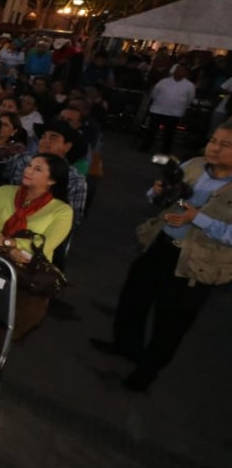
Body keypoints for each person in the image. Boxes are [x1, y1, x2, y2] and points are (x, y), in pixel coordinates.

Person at [91, 123, 232, 391]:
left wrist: (197, 218)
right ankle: (125, 345)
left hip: (197, 264)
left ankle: (146, 372)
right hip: (162, 245)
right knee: (134, 298)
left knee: (172, 321)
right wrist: (157, 192)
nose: (214, 147)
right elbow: (160, 198)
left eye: (225, 144)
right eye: (213, 140)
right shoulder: (193, 165)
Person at [0, 154, 73, 352]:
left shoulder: (62, 211)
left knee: (6, 314)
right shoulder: (5, 191)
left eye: (37, 169)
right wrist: (10, 248)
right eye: (29, 165)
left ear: (51, 180)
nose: (28, 171)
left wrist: (7, 242)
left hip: (28, 273)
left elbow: (44, 245)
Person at [141, 64, 196, 154]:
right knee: (152, 130)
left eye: (182, 71)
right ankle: (146, 146)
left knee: (169, 134)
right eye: (178, 70)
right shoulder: (164, 82)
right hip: (158, 109)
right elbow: (155, 93)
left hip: (175, 112)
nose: (179, 73)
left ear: (185, 73)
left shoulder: (189, 86)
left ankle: (165, 150)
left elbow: (190, 98)